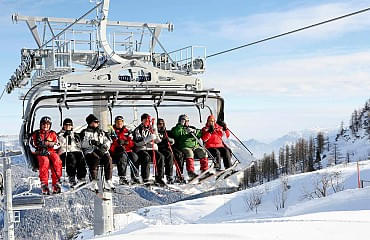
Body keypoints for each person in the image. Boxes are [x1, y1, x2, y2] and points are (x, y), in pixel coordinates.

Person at [80, 114, 114, 192]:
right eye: (95, 122)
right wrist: (90, 142)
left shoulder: (101, 132)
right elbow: (81, 144)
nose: (97, 123)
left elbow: (108, 141)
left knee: (108, 158)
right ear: (90, 123)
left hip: (100, 151)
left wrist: (104, 146)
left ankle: (108, 179)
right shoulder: (85, 132)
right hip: (90, 151)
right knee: (95, 158)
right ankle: (93, 181)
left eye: (97, 122)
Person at [30, 116, 62, 195]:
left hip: (51, 151)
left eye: (47, 124)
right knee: (45, 161)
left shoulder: (53, 134)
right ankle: (44, 183)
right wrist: (38, 151)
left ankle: (56, 183)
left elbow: (58, 144)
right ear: (41, 125)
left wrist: (50, 144)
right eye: (44, 124)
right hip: (41, 153)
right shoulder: (36, 134)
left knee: (57, 160)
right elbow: (31, 146)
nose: (45, 126)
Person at [171, 114, 208, 179]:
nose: (186, 122)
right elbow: (176, 133)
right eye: (184, 120)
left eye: (187, 121)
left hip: (195, 146)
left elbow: (199, 134)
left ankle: (204, 170)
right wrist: (180, 125)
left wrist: (194, 131)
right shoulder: (177, 128)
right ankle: (190, 172)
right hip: (185, 146)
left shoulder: (192, 128)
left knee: (203, 152)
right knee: (189, 153)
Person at [133, 113, 165, 185]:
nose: (147, 121)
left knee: (160, 156)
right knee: (146, 157)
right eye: (145, 120)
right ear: (142, 120)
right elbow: (137, 142)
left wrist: (156, 134)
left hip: (152, 148)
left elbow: (158, 141)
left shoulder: (151, 129)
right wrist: (148, 139)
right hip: (141, 149)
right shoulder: (138, 130)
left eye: (148, 120)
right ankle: (145, 178)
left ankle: (159, 178)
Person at [110, 115, 140, 184]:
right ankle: (122, 177)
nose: (119, 123)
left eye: (121, 122)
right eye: (118, 122)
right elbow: (110, 143)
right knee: (123, 157)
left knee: (134, 156)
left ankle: (135, 177)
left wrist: (126, 142)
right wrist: (116, 144)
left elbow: (131, 142)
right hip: (117, 151)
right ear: (115, 123)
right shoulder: (112, 131)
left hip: (127, 150)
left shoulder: (127, 131)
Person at [58, 118, 87, 187]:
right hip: (64, 152)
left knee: (80, 156)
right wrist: (64, 136)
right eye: (66, 125)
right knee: (71, 157)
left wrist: (77, 139)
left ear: (72, 126)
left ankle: (81, 177)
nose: (68, 126)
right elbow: (59, 144)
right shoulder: (60, 135)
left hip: (75, 151)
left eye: (69, 125)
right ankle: (71, 177)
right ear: (63, 126)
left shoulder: (74, 134)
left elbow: (79, 145)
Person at [157, 118, 175, 184]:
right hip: (157, 148)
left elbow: (173, 141)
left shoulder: (166, 132)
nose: (160, 125)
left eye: (162, 124)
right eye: (159, 124)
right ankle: (160, 176)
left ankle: (169, 175)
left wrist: (169, 140)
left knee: (169, 155)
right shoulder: (154, 131)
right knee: (160, 157)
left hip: (164, 148)